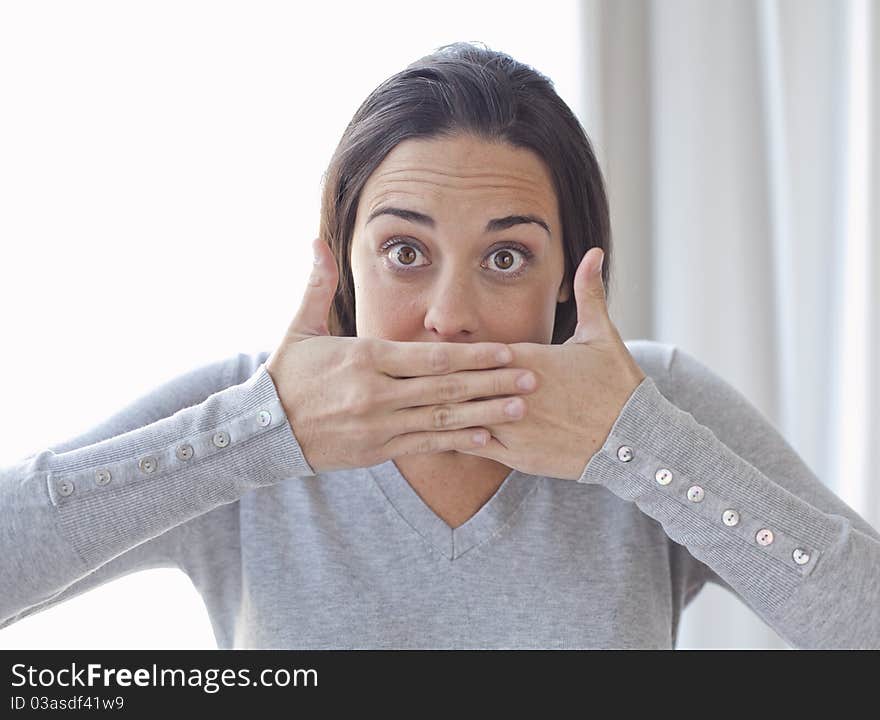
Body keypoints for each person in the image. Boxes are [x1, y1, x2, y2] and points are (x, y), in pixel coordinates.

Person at [2, 41, 879, 650]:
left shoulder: (651, 407)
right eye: (406, 253)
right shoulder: (252, 411)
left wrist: (637, 449)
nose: (448, 316)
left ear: (572, 275)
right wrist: (259, 436)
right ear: (342, 265)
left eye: (505, 256)